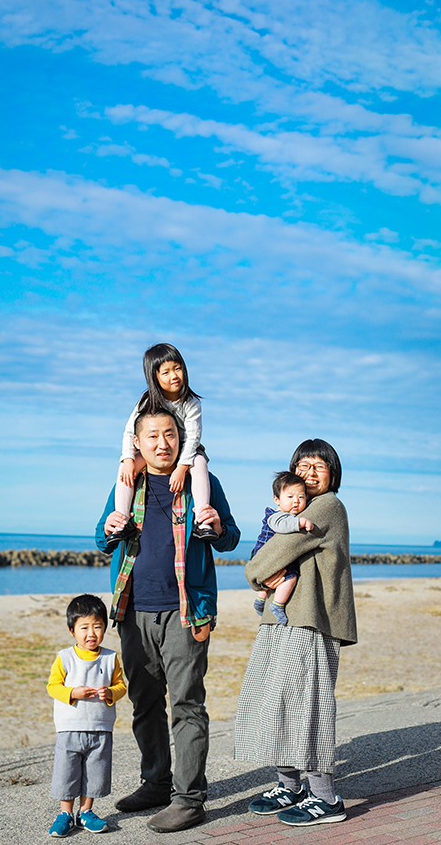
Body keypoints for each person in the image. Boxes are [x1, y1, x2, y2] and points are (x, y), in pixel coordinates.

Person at [95, 407, 240, 833]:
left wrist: (216, 527)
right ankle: (156, 783)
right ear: (137, 442)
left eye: (171, 434)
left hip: (186, 611)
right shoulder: (127, 483)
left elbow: (230, 537)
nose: (163, 443)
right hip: (132, 610)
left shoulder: (201, 482)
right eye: (153, 436)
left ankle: (189, 799)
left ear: (182, 438)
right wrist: (110, 526)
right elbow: (101, 537)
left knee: (186, 705)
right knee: (145, 704)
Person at [235, 440, 357, 827]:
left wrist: (253, 572)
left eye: (319, 466)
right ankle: (290, 786)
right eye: (302, 466)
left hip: (310, 619)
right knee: (278, 701)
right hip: (286, 618)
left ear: (333, 474)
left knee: (308, 706)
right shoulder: (296, 509)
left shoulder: (326, 506)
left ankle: (326, 798)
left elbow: (278, 549)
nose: (310, 472)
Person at [108, 343, 217, 550]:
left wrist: (181, 468)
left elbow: (193, 437)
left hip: (185, 449)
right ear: (154, 377)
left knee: (200, 463)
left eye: (178, 368)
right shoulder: (147, 400)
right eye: (165, 372)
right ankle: (121, 521)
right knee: (124, 470)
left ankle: (202, 520)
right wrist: (128, 458)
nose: (174, 375)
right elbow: (130, 431)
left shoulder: (191, 403)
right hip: (157, 451)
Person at [46, 594, 127, 837]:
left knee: (95, 772)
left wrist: (110, 693)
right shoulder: (65, 657)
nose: (91, 633)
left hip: (101, 727)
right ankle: (65, 814)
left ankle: (86, 812)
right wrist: (73, 692)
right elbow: (53, 686)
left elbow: (121, 686)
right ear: (72, 630)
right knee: (67, 772)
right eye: (84, 627)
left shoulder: (110, 658)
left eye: (97, 627)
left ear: (105, 628)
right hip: (70, 727)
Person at [251, 471, 314, 624]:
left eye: (301, 497)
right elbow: (282, 525)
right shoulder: (278, 515)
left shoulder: (283, 513)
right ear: (277, 500)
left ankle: (261, 598)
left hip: (265, 555)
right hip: (269, 554)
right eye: (290, 497)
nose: (296, 501)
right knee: (290, 577)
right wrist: (300, 522)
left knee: (270, 576)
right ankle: (277, 605)